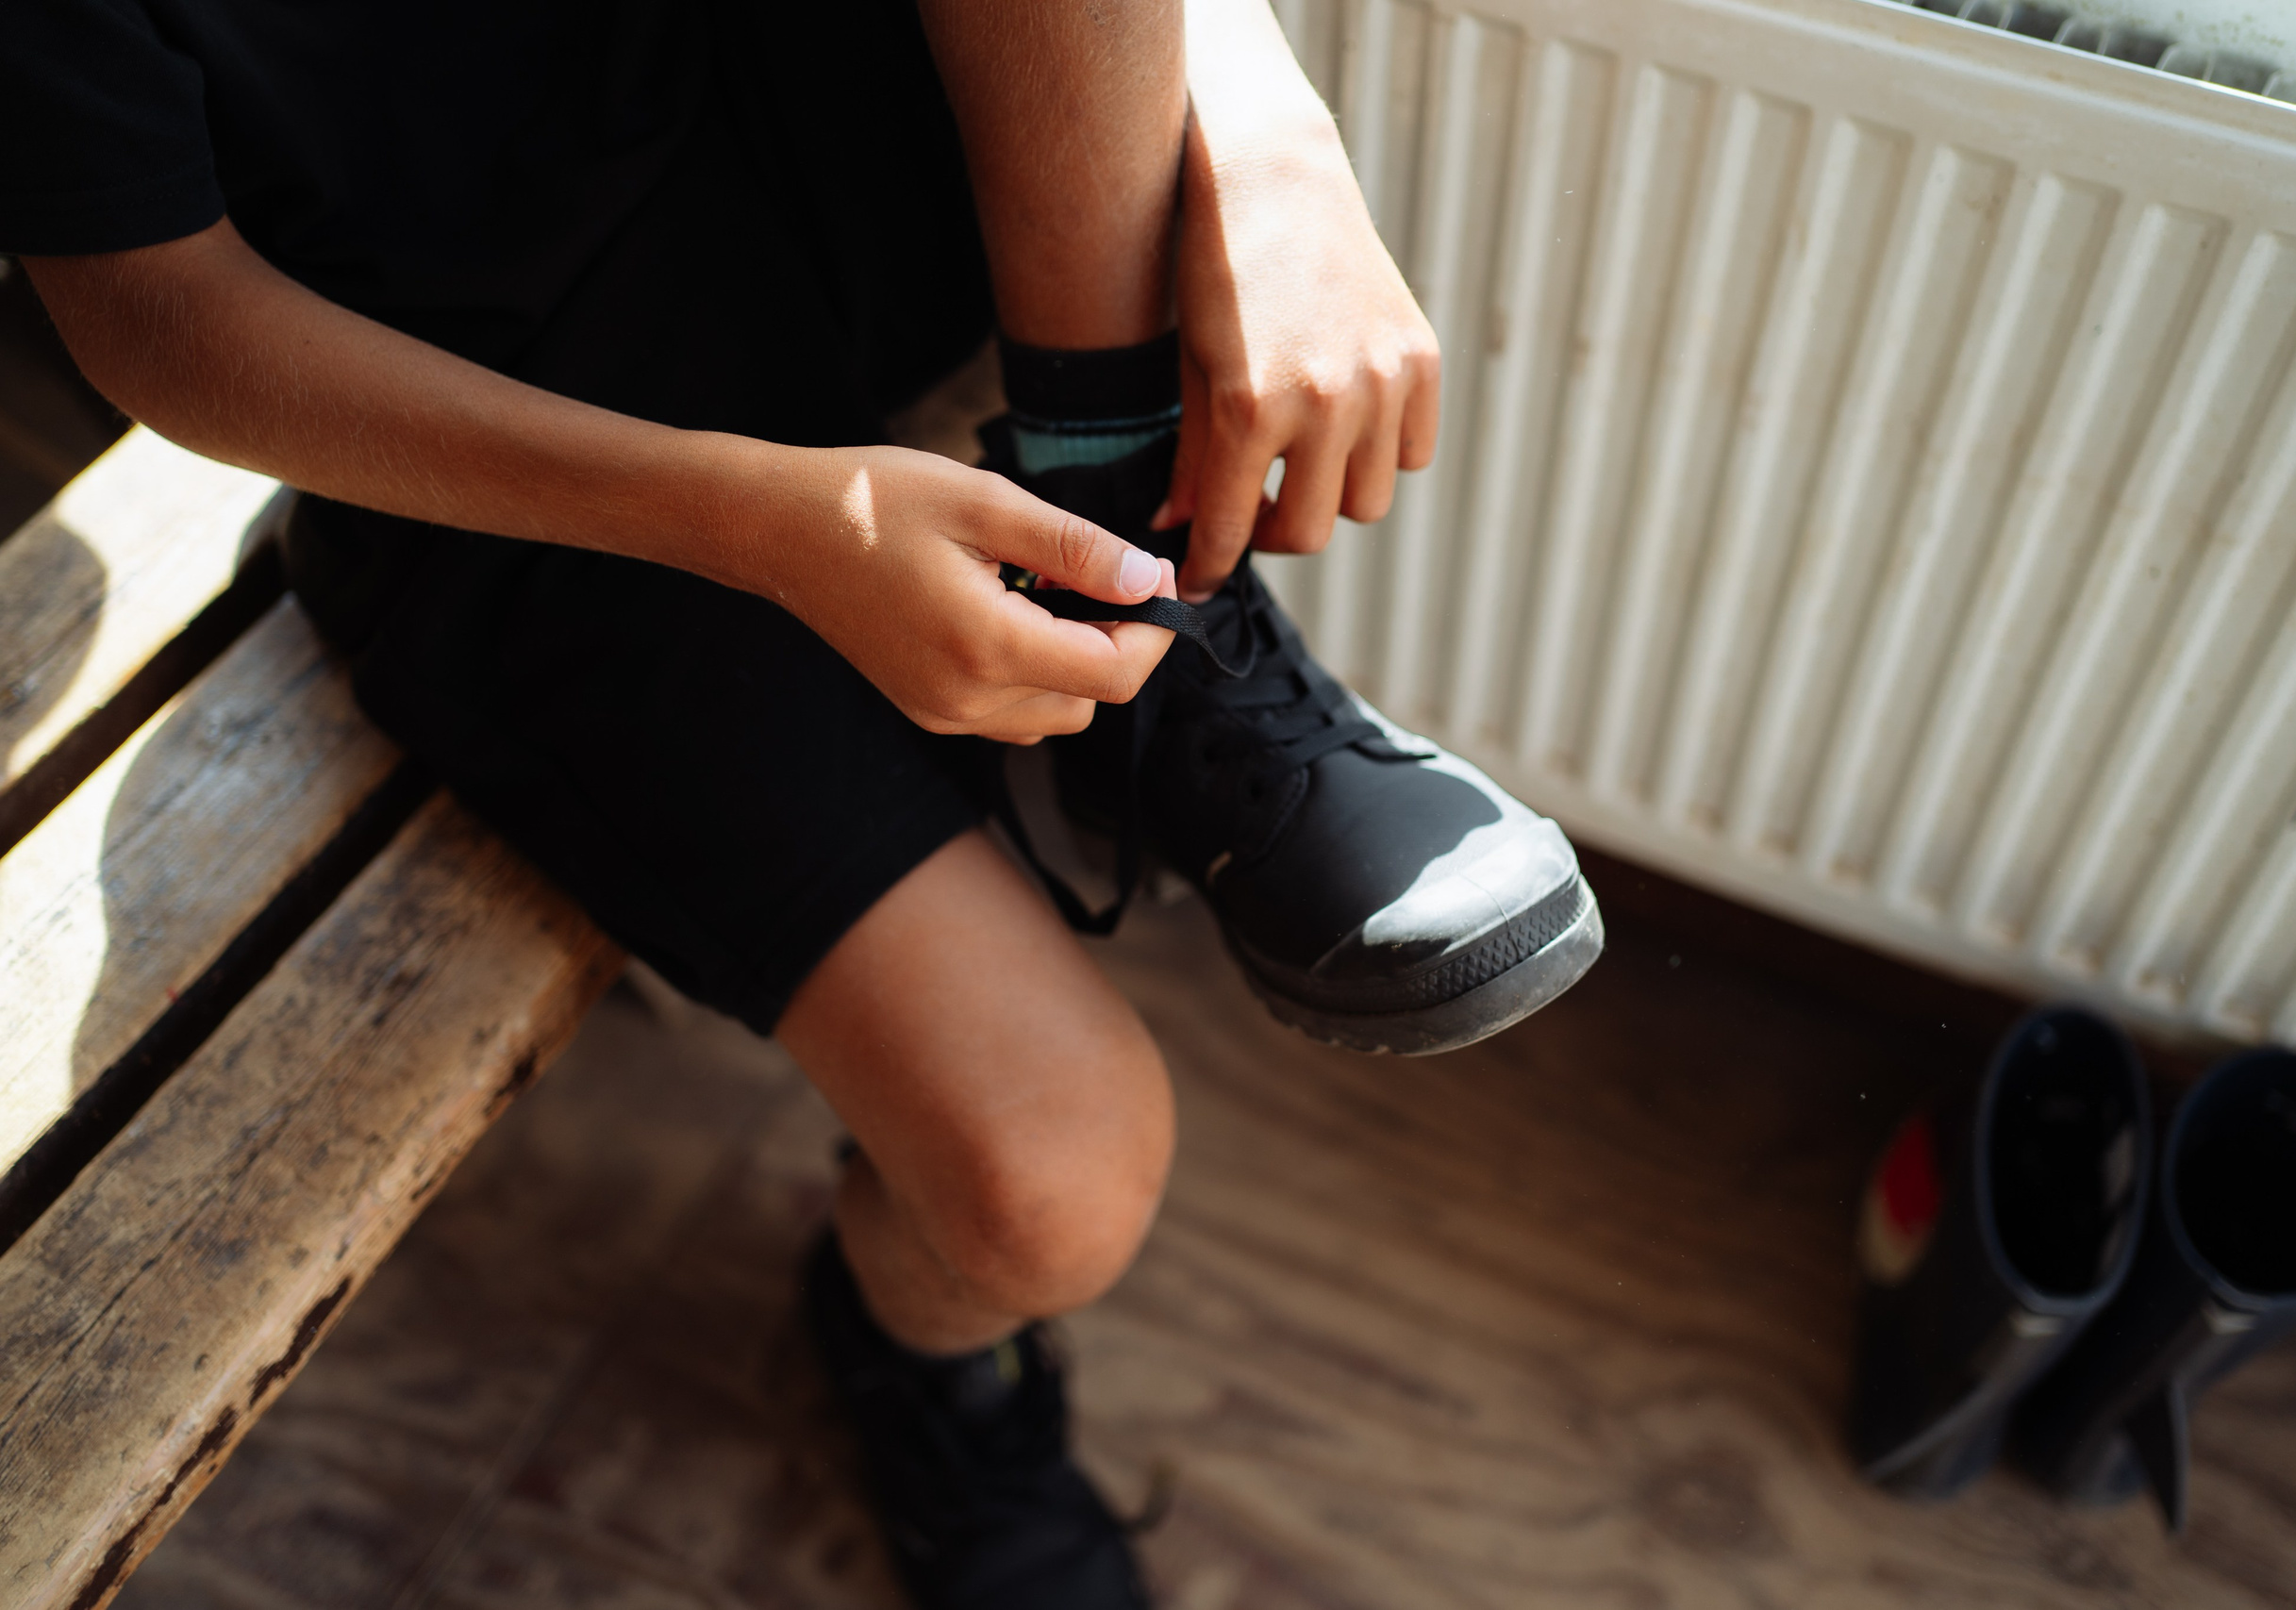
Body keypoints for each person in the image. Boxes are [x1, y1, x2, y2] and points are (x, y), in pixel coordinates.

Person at [1, 2, 1603, 1602]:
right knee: (1051, 1195)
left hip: (864, 160)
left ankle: (1116, 543)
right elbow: (159, 315)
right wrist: (770, 525)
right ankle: (917, 1366)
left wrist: (1256, 128)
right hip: (522, 459)